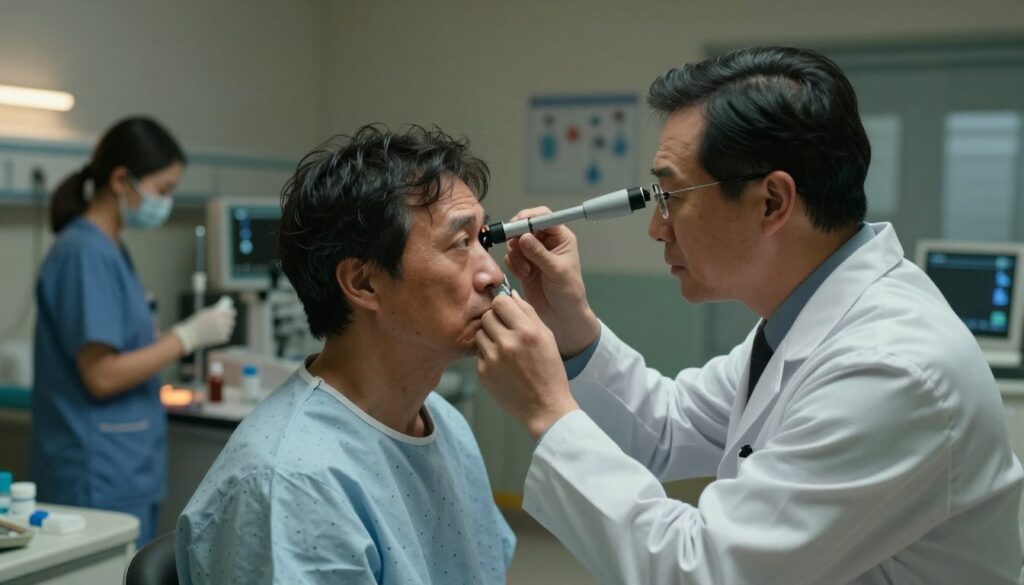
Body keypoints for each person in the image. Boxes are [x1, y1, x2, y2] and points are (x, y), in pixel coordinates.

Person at [476, 47, 1024, 584]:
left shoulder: (890, 369)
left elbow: (704, 570)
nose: (657, 228)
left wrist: (548, 412)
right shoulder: (806, 318)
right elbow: (667, 427)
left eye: (672, 196)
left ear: (772, 202)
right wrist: (571, 327)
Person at [175, 124, 515, 584]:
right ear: (363, 282)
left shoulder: (445, 424)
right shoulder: (292, 480)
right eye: (460, 243)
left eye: (483, 240)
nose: (493, 274)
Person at [32, 116, 237, 547]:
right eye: (163, 189)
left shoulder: (110, 249)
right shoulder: (83, 253)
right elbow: (101, 375)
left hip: (123, 464)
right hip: (94, 471)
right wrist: (185, 337)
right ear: (121, 179)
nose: (167, 202)